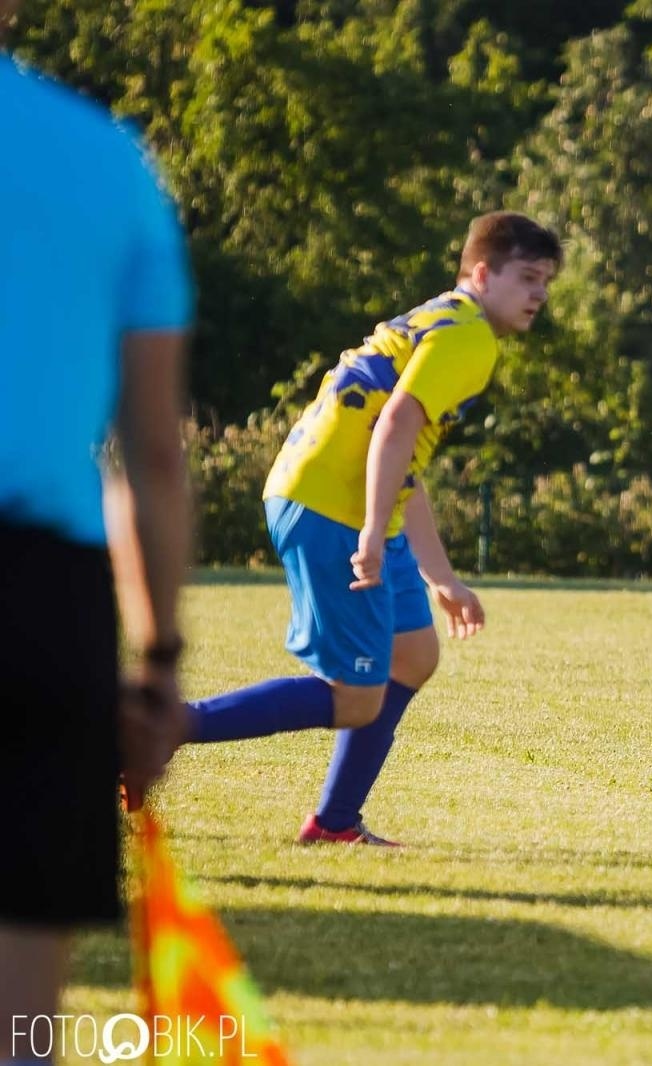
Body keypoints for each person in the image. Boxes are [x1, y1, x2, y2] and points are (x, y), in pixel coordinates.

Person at [183, 211, 562, 845]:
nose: (539, 295)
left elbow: (401, 460)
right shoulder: (471, 339)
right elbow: (394, 428)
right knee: (354, 696)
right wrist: (367, 537)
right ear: (482, 272)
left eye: (547, 282)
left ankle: (335, 824)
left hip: (330, 494)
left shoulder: (444, 315)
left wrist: (439, 576)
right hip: (332, 506)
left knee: (412, 657)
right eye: (527, 278)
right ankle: (160, 727)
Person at [0, 6, 195, 1057]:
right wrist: (157, 662)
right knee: (21, 1022)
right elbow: (151, 457)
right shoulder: (106, 157)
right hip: (42, 601)